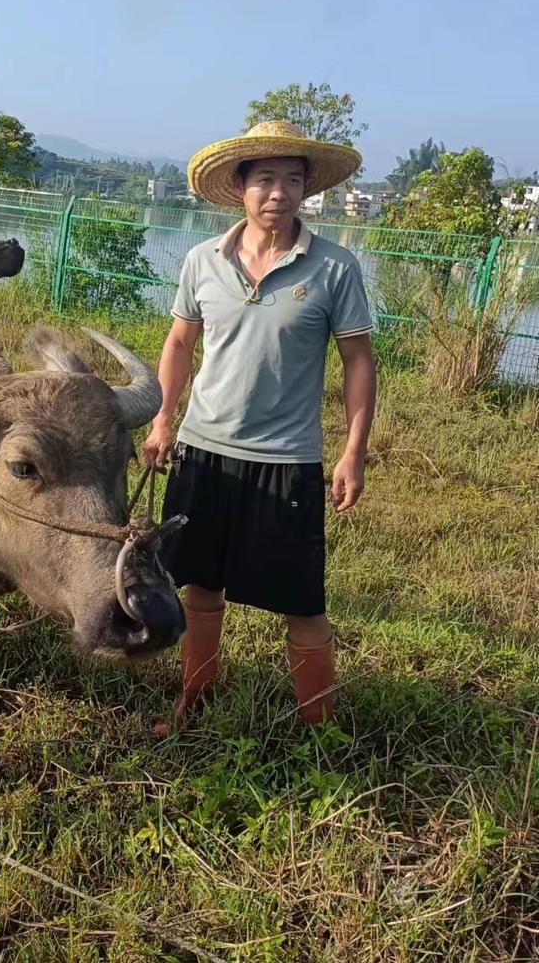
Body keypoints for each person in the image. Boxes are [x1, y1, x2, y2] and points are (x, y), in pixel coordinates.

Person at [143, 120, 377, 727]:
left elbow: (358, 361)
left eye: (292, 181)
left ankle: (319, 731)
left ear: (306, 190)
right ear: (240, 186)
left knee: (303, 602)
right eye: (266, 179)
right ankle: (195, 696)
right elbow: (179, 343)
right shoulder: (203, 260)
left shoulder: (334, 268)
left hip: (287, 460)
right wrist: (163, 419)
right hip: (202, 451)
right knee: (200, 585)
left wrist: (353, 451)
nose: (279, 193)